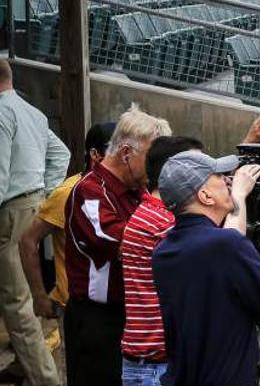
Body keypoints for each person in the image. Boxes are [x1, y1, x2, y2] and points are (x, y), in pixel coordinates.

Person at [151, 151, 260, 386]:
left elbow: (243, 280)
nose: (229, 180)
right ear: (205, 196)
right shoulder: (224, 245)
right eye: (219, 176)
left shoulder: (165, 251)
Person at [120, 136, 250, 386]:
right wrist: (238, 198)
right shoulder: (165, 222)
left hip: (149, 361)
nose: (221, 179)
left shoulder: (148, 212)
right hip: (156, 365)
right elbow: (228, 246)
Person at [63, 105, 171, 386]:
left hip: (135, 316)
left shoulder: (140, 189)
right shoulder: (89, 192)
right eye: (152, 158)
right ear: (126, 153)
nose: (157, 167)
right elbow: (132, 243)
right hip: (99, 320)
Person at [19, 122, 114, 382]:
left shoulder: (120, 190)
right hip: (71, 305)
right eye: (115, 149)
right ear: (95, 155)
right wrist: (39, 296)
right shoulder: (69, 192)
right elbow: (28, 241)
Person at [0, 59, 70, 386]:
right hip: (31, 205)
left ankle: (46, 380)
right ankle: (21, 364)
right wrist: (44, 195)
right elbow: (62, 154)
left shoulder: (2, 112)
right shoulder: (33, 112)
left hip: (9, 210)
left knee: (17, 304)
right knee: (21, 293)